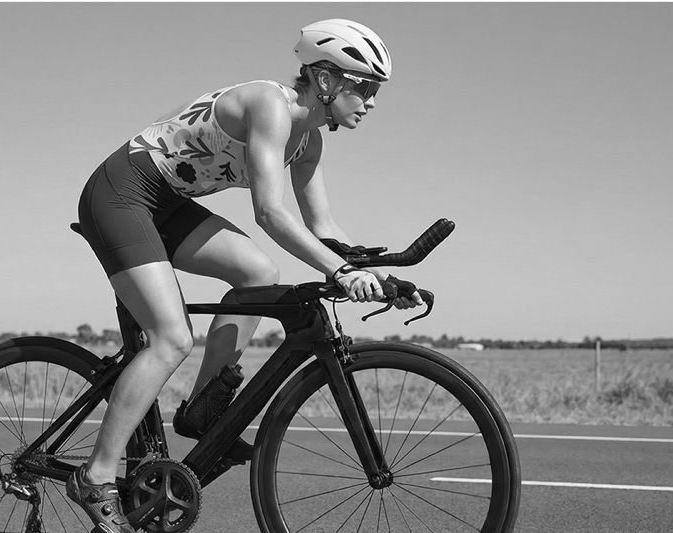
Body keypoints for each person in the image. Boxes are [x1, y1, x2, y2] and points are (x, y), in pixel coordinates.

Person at [66, 18, 418, 532]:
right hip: (122, 193)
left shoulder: (309, 143)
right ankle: (95, 477)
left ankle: (203, 410)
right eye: (364, 88)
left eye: (375, 92)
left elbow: (324, 229)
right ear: (325, 79)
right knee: (170, 338)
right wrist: (340, 272)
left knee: (258, 274)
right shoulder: (270, 106)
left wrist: (377, 275)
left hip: (168, 203)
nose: (371, 102)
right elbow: (270, 213)